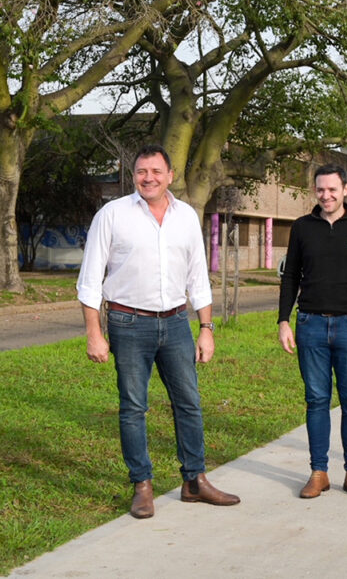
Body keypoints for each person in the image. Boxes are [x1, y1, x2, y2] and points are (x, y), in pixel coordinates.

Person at [77, 144, 239, 519]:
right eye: (140, 172)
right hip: (128, 323)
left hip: (177, 322)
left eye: (155, 172)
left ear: (169, 176)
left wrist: (206, 328)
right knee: (134, 406)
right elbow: (90, 280)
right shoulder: (112, 215)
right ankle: (142, 485)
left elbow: (198, 277)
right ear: (133, 176)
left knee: (189, 402)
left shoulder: (186, 218)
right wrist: (94, 333)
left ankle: (194, 481)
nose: (147, 178)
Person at [278, 163, 347, 500]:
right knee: (316, 401)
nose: (326, 195)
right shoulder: (302, 228)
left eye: (332, 190)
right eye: (320, 190)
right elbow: (290, 276)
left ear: (346, 190)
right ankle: (319, 472)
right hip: (310, 324)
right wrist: (283, 320)